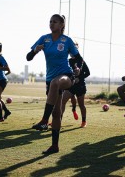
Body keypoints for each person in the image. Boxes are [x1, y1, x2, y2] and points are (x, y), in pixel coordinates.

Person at [26, 14, 82, 154]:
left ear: (62, 25)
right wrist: (35, 50)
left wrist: (77, 68)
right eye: (50, 21)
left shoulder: (67, 40)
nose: (51, 24)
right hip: (50, 80)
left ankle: (44, 120)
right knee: (56, 114)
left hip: (66, 77)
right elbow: (28, 57)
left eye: (55, 22)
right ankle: (54, 146)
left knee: (56, 82)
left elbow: (78, 58)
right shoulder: (44, 38)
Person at [61, 50, 90, 128]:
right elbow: (66, 72)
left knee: (81, 105)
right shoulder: (68, 61)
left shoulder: (81, 60)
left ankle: (84, 121)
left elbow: (88, 73)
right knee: (62, 101)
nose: (71, 52)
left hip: (80, 86)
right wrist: (71, 78)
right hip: (71, 85)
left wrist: (80, 78)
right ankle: (58, 120)